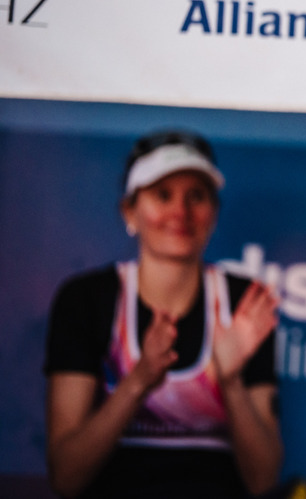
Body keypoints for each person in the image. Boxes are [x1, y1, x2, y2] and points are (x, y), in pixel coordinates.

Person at [44, 129, 283, 498]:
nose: (180, 212)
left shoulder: (242, 304)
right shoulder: (87, 299)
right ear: (130, 211)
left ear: (214, 214)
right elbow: (66, 476)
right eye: (162, 195)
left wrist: (231, 381)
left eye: (196, 196)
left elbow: (263, 480)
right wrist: (138, 382)